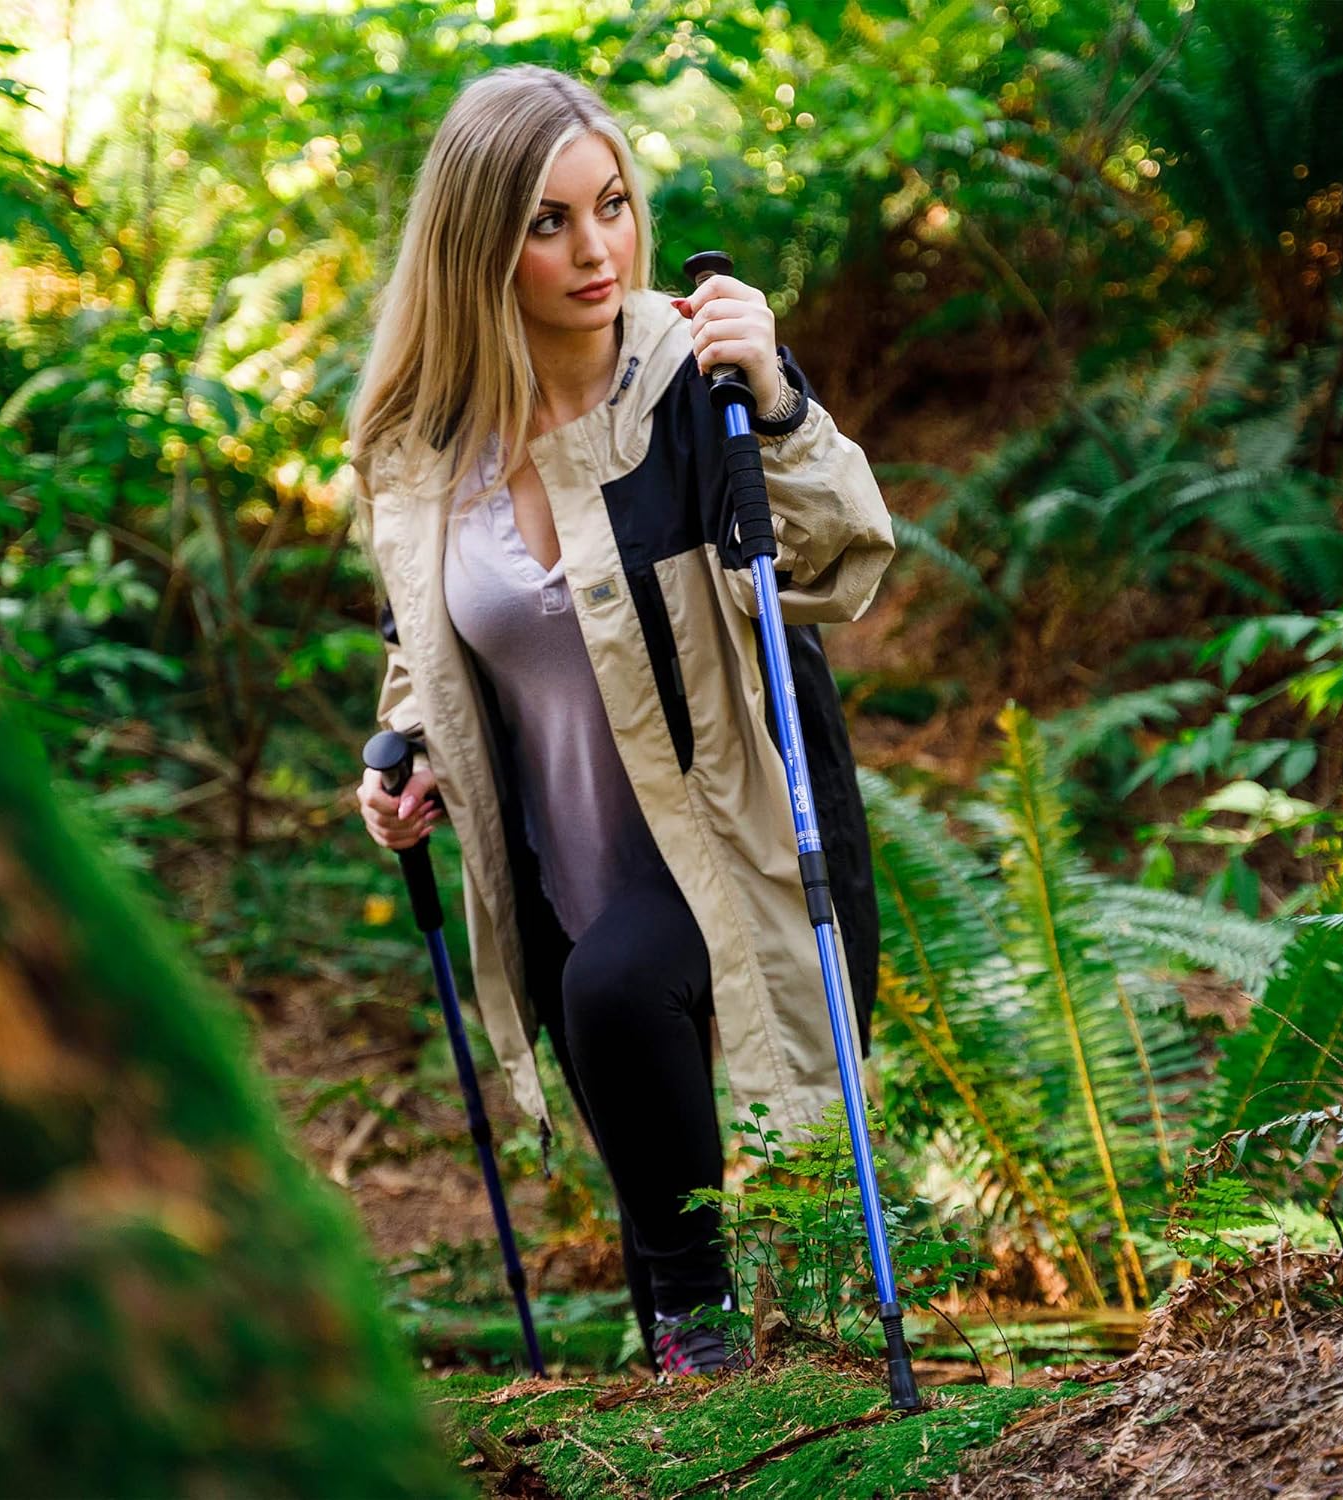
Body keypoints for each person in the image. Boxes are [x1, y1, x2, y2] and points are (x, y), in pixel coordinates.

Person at [348, 63, 894, 1378]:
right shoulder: (423, 450)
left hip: (731, 836)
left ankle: (716, 1362)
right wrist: (406, 755)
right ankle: (689, 1378)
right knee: (639, 1150)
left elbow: (836, 564)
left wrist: (778, 400)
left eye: (612, 207)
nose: (597, 249)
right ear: (481, 247)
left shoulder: (691, 387)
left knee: (624, 999)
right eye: (549, 222)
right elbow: (423, 650)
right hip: (558, 861)